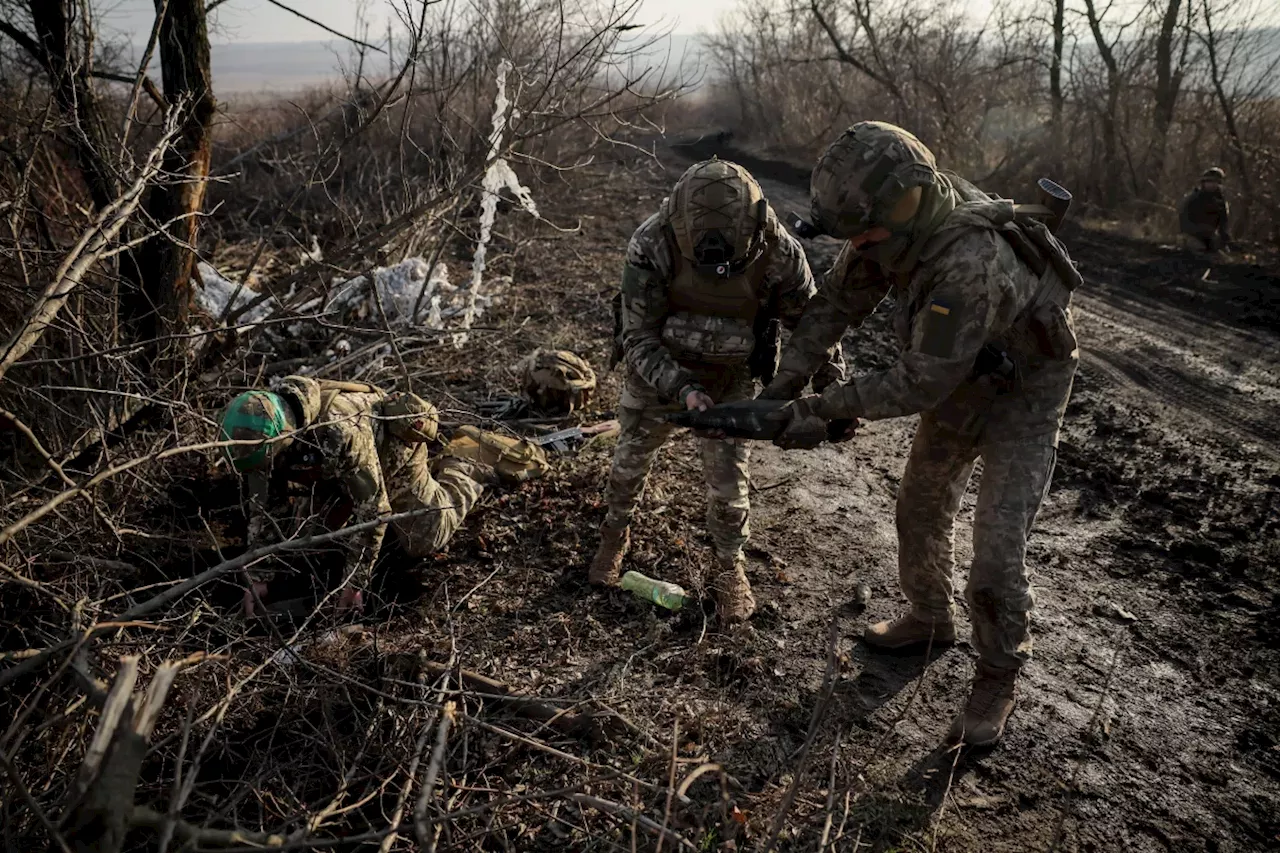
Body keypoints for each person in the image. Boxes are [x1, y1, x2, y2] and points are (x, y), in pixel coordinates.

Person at [762, 122, 1080, 746]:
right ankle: (930, 619)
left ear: (904, 204)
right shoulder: (892, 224)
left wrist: (818, 409)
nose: (860, 244)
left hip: (1024, 396)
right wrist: (782, 386)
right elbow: (835, 305)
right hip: (964, 375)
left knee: (996, 549)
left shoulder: (969, 261)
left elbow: (917, 384)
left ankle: (996, 673)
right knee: (921, 509)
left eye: (865, 232)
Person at [590, 158, 845, 623]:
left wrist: (835, 390)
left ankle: (729, 568)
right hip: (658, 372)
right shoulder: (653, 241)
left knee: (729, 489)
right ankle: (614, 536)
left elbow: (813, 329)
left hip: (731, 376)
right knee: (627, 466)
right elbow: (638, 336)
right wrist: (681, 388)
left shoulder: (779, 252)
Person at [219, 377, 489, 616]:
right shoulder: (257, 430)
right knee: (306, 543)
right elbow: (265, 506)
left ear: (284, 440)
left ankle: (465, 461)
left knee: (427, 536)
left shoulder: (340, 430)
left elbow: (375, 510)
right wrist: (259, 577)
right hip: (332, 471)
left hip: (389, 454)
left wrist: (355, 583)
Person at [1178, 167, 1232, 252]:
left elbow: (1223, 223)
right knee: (1198, 250)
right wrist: (1202, 230)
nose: (1212, 185)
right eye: (1209, 182)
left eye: (1215, 182)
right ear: (1203, 183)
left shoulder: (1220, 202)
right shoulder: (1193, 199)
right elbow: (1184, 223)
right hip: (1192, 235)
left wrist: (1224, 239)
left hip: (1210, 236)